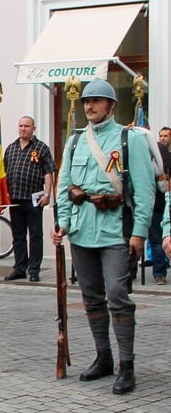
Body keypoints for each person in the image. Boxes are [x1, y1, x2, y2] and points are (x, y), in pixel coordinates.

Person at [55, 79, 154, 395]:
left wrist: (139, 233)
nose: (90, 106)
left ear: (111, 105)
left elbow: (144, 191)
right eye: (86, 101)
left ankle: (127, 365)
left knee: (117, 296)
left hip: (115, 232)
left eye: (97, 101)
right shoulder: (75, 141)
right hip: (82, 231)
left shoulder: (130, 140)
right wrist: (63, 223)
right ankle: (104, 357)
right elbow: (64, 187)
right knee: (91, 297)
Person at [4, 116, 54, 281]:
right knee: (18, 235)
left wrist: (47, 194)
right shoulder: (11, 148)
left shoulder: (41, 148)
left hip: (34, 199)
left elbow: (48, 172)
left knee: (35, 235)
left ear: (34, 128)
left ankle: (34, 270)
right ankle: (19, 268)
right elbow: (4, 173)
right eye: (20, 126)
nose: (23, 129)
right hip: (15, 199)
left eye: (26, 126)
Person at [145, 138, 171, 285]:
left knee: (156, 240)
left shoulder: (159, 152)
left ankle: (159, 273)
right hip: (153, 204)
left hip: (158, 204)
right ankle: (158, 273)